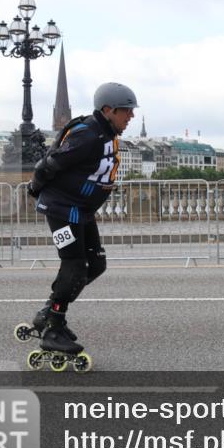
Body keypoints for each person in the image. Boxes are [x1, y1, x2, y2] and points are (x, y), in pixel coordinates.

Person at [26, 82, 138, 357]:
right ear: (108, 110)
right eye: (126, 111)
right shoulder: (87, 135)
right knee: (74, 266)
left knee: (96, 264)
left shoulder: (107, 132)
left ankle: (50, 310)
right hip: (63, 209)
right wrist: (35, 188)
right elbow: (50, 163)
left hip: (82, 211)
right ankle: (53, 327)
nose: (131, 117)